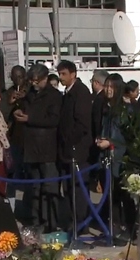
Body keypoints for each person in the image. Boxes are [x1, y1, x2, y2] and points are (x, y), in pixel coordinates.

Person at [13, 64, 63, 232]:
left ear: (45, 79)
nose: (34, 84)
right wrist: (19, 112)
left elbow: (53, 120)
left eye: (37, 81)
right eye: (32, 81)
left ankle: (50, 222)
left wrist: (30, 118)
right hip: (32, 147)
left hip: (47, 148)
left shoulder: (54, 96)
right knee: (35, 188)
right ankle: (36, 221)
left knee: (49, 187)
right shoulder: (29, 95)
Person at [95, 73, 135, 242]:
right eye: (107, 86)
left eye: (112, 87)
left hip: (119, 159)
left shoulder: (125, 109)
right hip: (106, 158)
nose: (108, 90)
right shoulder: (106, 107)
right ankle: (112, 226)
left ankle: (128, 229)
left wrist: (110, 142)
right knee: (109, 196)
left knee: (122, 196)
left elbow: (128, 137)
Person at [56, 60, 93, 232]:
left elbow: (82, 123)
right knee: (69, 188)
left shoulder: (81, 93)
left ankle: (80, 223)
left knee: (78, 190)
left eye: (64, 74)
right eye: (59, 74)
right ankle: (73, 221)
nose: (61, 77)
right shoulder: (67, 93)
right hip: (66, 149)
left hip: (77, 149)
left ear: (73, 74)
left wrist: (70, 141)